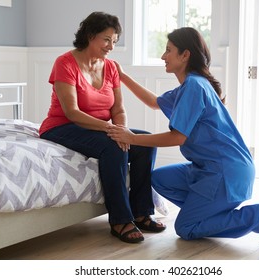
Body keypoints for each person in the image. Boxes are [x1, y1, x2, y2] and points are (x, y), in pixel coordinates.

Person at [108, 27, 259, 246]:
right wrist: (121, 76)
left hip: (225, 172)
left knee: (185, 228)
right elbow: (153, 101)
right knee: (159, 179)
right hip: (208, 169)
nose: (163, 56)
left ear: (185, 55)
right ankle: (208, 209)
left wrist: (132, 138)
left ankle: (255, 217)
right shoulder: (190, 85)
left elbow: (177, 137)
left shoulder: (194, 87)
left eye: (168, 50)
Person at [39, 12, 166, 244]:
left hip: (101, 127)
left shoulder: (111, 67)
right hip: (63, 126)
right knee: (113, 147)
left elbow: (118, 109)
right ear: (90, 36)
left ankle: (141, 211)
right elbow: (72, 112)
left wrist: (123, 130)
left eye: (115, 41)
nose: (111, 46)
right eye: (106, 39)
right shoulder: (65, 63)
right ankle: (120, 220)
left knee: (145, 142)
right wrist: (111, 131)